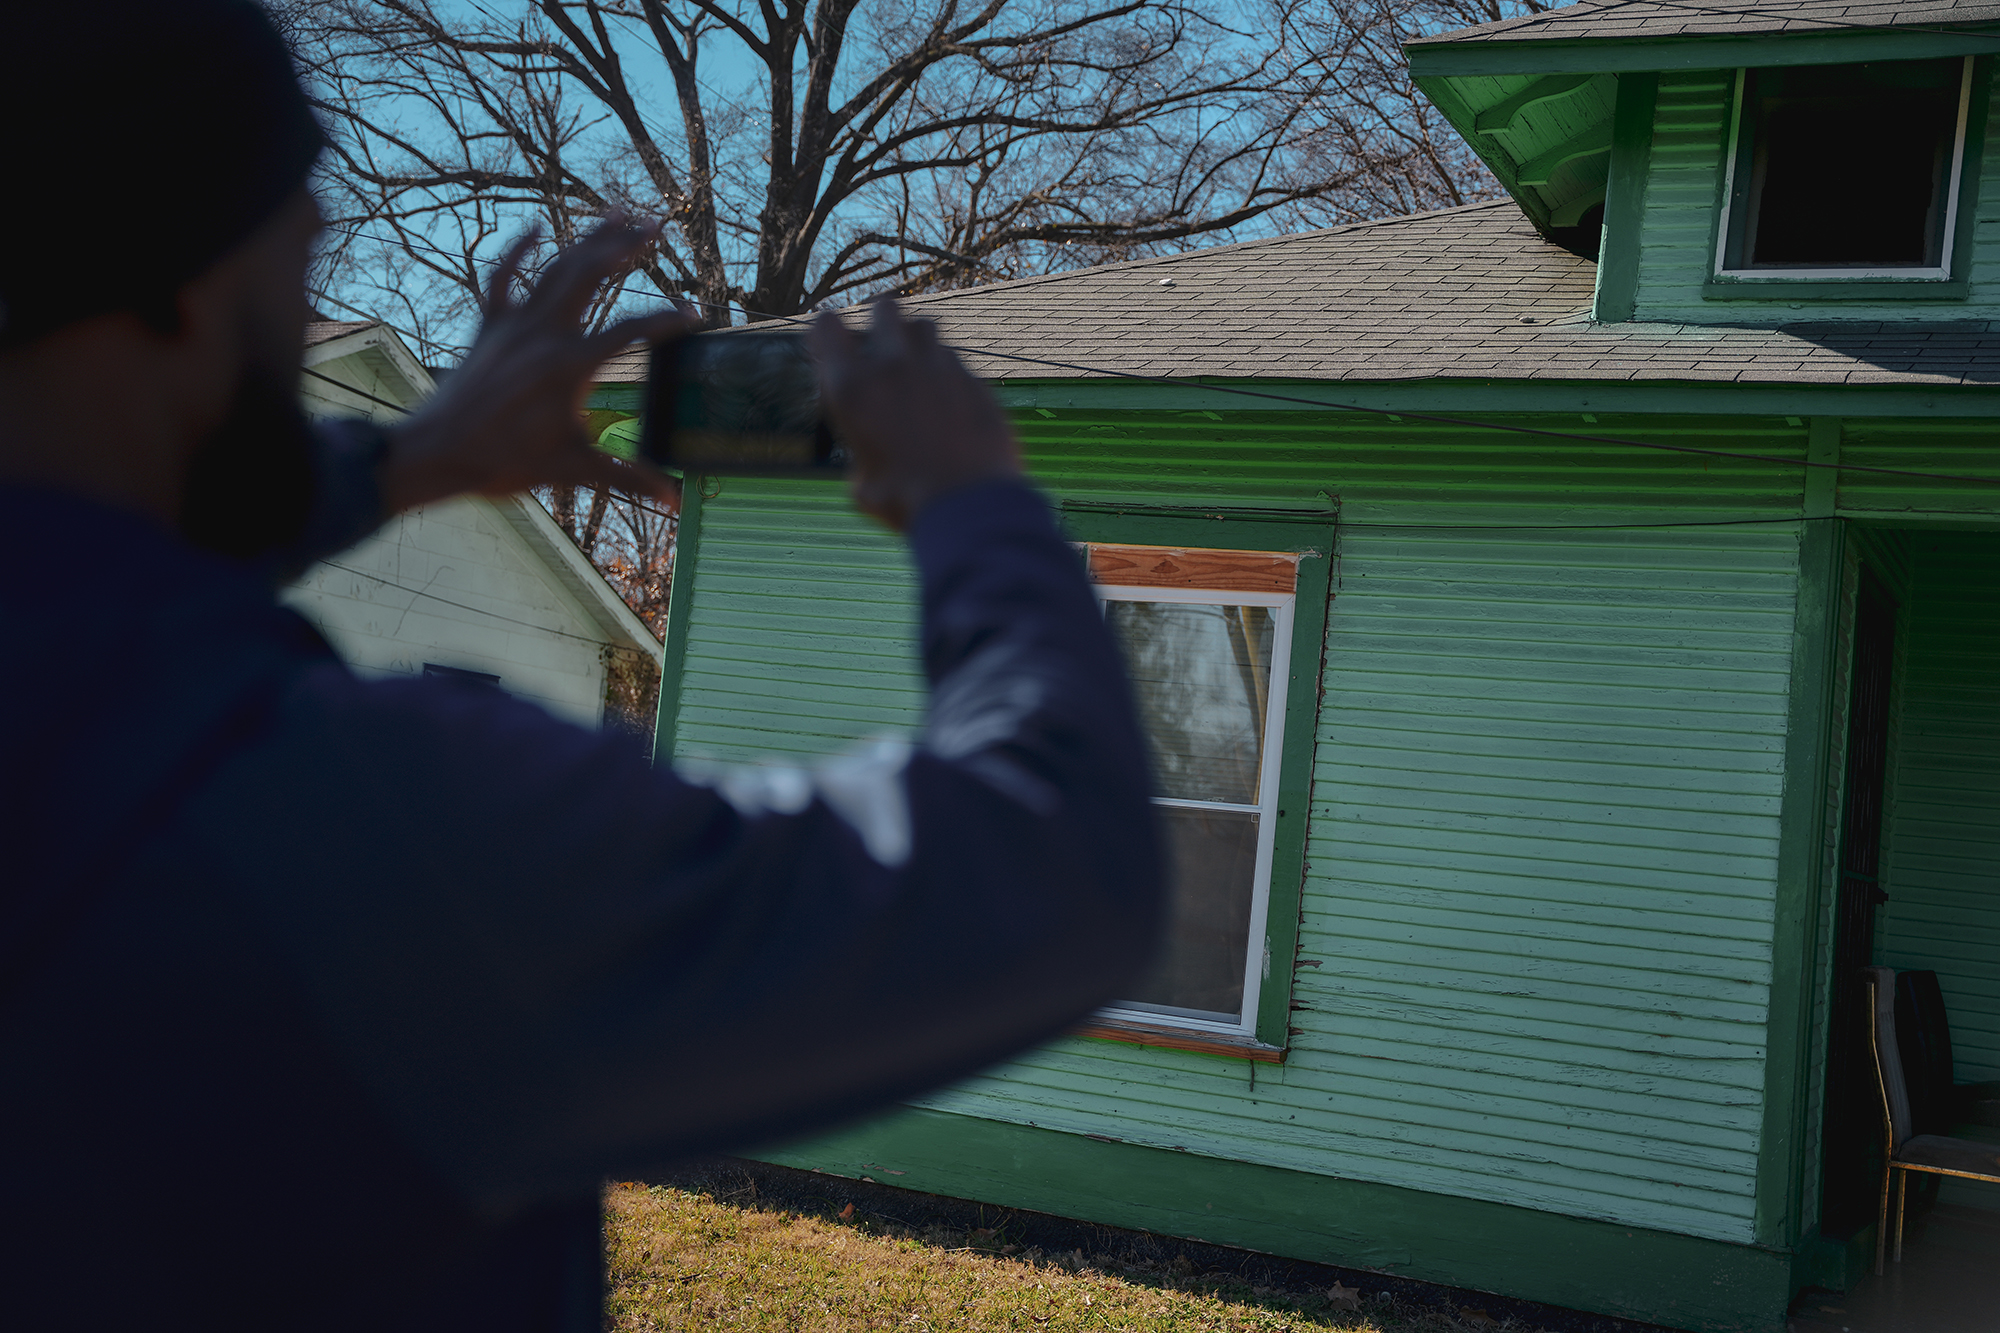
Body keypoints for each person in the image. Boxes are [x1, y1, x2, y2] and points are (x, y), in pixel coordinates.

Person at [0, 3, 1162, 1329]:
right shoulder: (364, 828)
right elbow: (1054, 864)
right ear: (174, 276)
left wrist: (402, 461)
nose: (312, 292)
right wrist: (977, 505)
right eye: (297, 246)